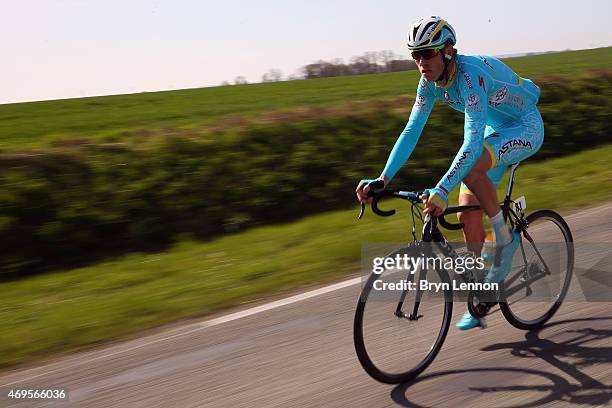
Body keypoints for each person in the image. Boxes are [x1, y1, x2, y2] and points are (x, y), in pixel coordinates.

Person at [355, 16, 544, 330]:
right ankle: (482, 289)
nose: (420, 62)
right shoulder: (429, 83)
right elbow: (411, 130)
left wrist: (441, 188)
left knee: (469, 172)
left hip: (524, 126)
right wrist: (383, 178)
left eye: (427, 54)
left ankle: (503, 236)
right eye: (415, 55)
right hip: (495, 130)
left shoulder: (471, 76)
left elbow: (471, 141)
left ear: (447, 52)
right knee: (467, 214)